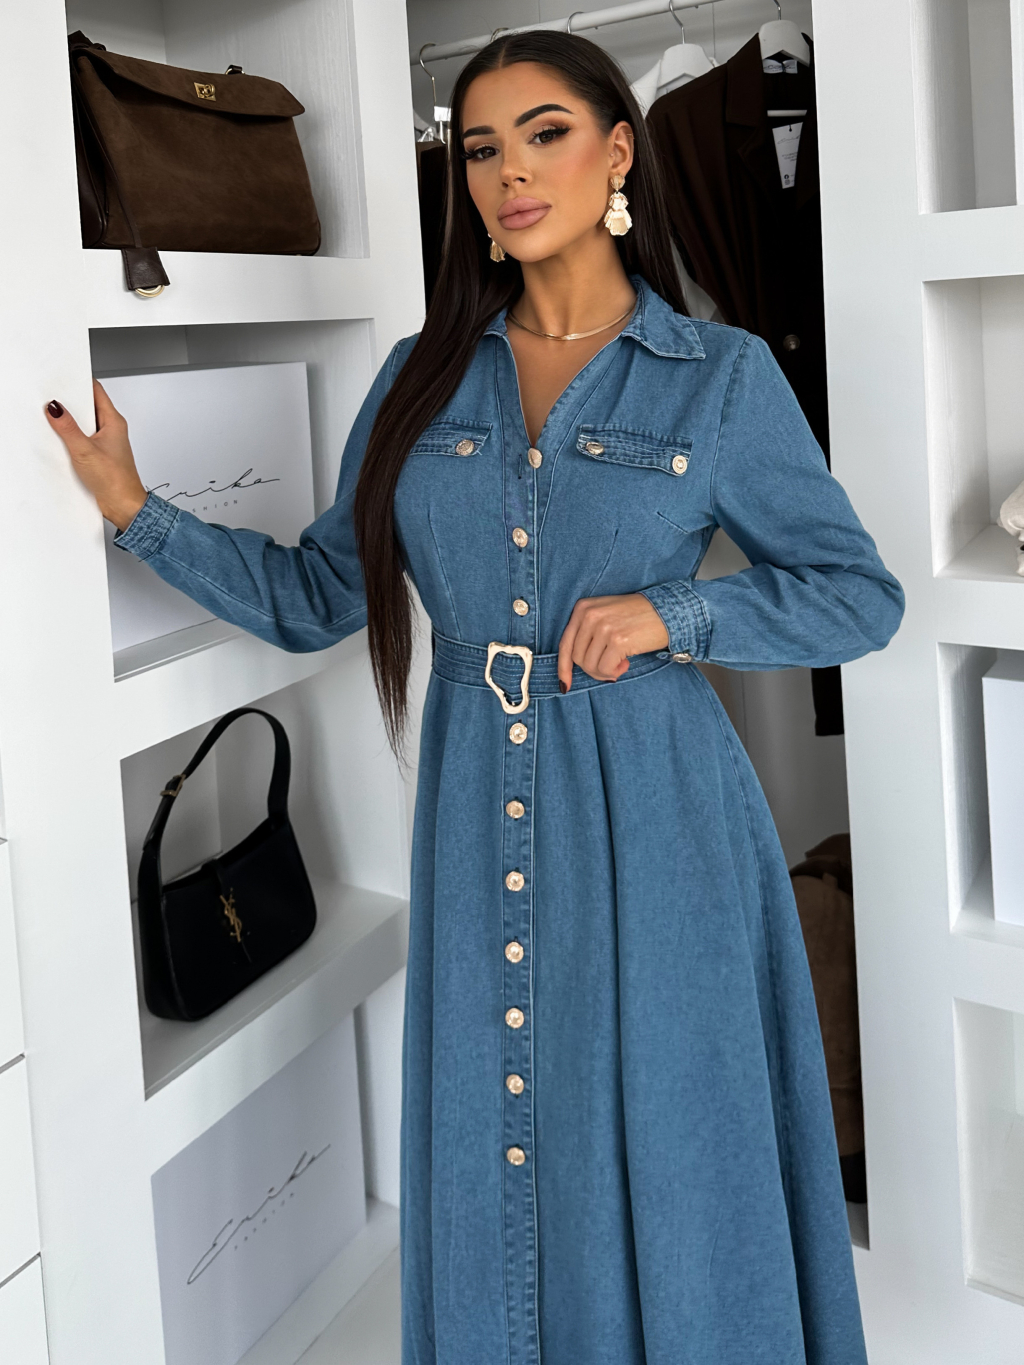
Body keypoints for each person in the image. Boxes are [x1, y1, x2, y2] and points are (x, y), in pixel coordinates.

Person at [46, 32, 902, 1365]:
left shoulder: (719, 376)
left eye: (546, 133)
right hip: (473, 811)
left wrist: (677, 615)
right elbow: (316, 595)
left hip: (664, 820)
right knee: (505, 1124)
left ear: (618, 153)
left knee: (673, 1129)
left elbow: (858, 597)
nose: (511, 172)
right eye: (483, 147)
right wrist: (135, 510)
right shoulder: (421, 376)